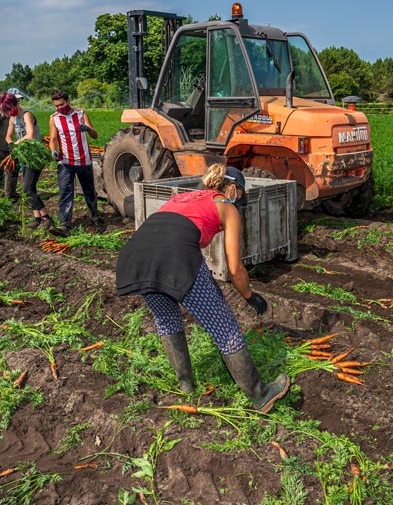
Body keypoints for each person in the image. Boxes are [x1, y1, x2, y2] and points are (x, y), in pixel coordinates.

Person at [115, 164, 290, 413]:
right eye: (239, 195)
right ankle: (260, 395)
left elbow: (170, 232)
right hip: (174, 258)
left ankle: (186, 386)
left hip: (136, 257)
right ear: (231, 188)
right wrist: (250, 296)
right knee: (223, 324)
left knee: (166, 318)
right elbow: (234, 268)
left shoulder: (183, 197)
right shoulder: (227, 206)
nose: (238, 202)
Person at [48, 89, 99, 237]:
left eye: (61, 104)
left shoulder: (81, 114)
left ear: (68, 101)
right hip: (65, 162)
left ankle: (94, 216)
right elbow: (53, 139)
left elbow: (95, 135)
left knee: (89, 191)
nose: (59, 108)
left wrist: (88, 129)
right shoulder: (54, 118)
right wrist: (53, 151)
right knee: (65, 193)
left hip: (84, 160)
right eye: (56, 106)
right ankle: (64, 225)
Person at [7, 94, 54, 230]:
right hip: (25, 156)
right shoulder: (12, 118)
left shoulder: (27, 115)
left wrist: (15, 144)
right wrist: (10, 143)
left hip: (35, 156)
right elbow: (8, 135)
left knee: (27, 189)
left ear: (16, 104)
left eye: (10, 109)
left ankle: (46, 218)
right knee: (29, 188)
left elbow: (30, 135)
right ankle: (37, 218)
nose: (10, 113)